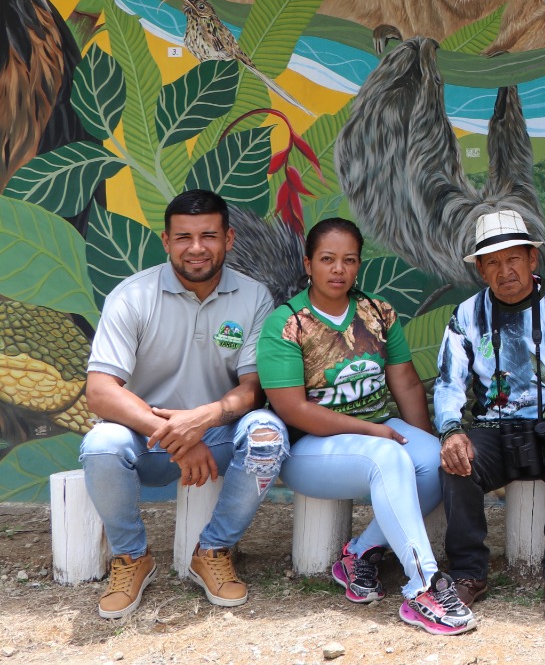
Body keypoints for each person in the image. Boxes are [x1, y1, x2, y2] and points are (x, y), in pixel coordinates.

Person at [257, 218, 475, 636]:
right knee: (389, 454)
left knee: (432, 460)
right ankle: (423, 587)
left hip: (376, 431)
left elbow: (407, 383)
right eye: (327, 259)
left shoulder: (377, 312)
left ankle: (360, 553)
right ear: (308, 263)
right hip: (311, 448)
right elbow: (293, 409)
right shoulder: (288, 324)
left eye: (348, 260)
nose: (338, 269)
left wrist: (426, 438)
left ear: (358, 265)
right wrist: (372, 432)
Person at [81, 189, 287, 620]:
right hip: (147, 438)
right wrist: (177, 437)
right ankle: (132, 558)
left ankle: (213, 550)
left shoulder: (254, 297)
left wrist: (205, 419)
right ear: (166, 241)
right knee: (102, 444)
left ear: (229, 240)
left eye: (208, 235)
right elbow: (100, 390)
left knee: (267, 433)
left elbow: (253, 389)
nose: (196, 248)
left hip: (218, 437)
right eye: (184, 237)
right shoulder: (133, 296)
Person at [434, 210, 545, 622]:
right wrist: (451, 430)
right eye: (492, 262)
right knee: (458, 462)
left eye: (514, 259)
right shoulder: (467, 314)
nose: (505, 271)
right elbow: (448, 384)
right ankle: (469, 573)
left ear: (532, 259)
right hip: (494, 426)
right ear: (480, 269)